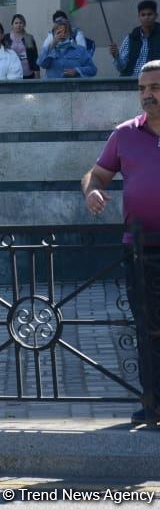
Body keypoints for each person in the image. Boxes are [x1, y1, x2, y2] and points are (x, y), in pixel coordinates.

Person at [81, 60, 160, 426]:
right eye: (143, 89)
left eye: (155, 87)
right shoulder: (125, 133)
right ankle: (153, 404)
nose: (148, 95)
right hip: (140, 251)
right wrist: (93, 192)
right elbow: (96, 175)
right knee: (148, 328)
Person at [111, 0, 160, 78]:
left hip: (153, 83)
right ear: (139, 17)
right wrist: (116, 56)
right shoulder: (131, 38)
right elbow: (121, 68)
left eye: (149, 14)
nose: (146, 17)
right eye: (143, 15)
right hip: (130, 83)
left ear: (156, 15)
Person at [6, 13, 39, 79]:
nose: (18, 25)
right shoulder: (6, 38)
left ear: (24, 24)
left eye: (21, 23)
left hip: (27, 71)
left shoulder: (29, 37)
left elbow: (34, 55)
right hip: (11, 71)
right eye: (16, 23)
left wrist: (37, 71)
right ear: (12, 25)